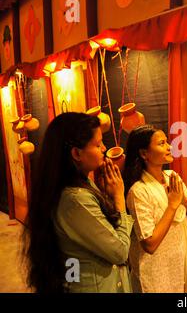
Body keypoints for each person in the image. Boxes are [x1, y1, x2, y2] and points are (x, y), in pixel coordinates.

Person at [23, 112, 134, 293]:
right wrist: (119, 198)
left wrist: (105, 197)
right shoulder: (75, 199)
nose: (104, 148)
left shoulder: (84, 184)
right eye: (98, 144)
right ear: (76, 153)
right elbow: (120, 252)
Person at [123, 125, 187, 293]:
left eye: (167, 142)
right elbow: (149, 244)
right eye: (161, 143)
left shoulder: (172, 177)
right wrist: (173, 205)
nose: (169, 147)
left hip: (178, 264)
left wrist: (182, 201)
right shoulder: (138, 191)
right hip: (155, 273)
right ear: (144, 153)